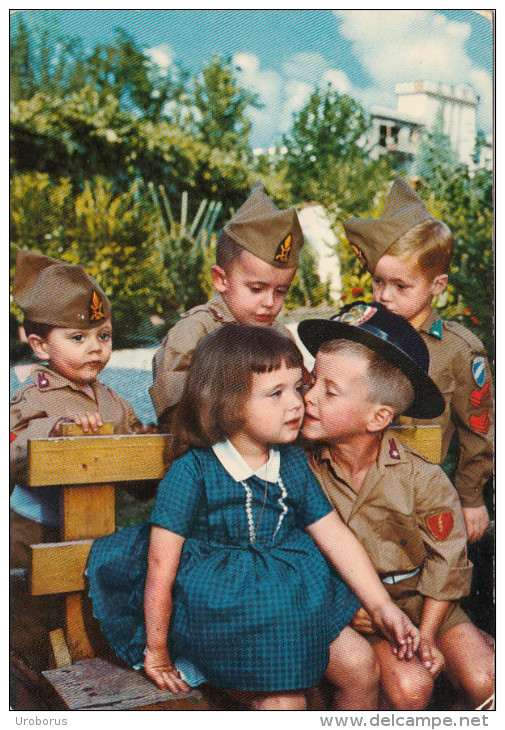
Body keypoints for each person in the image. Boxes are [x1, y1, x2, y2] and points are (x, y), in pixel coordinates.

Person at [87, 324, 423, 711]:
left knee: (362, 667)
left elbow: (335, 535)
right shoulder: (193, 472)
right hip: (225, 609)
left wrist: (382, 606)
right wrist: (157, 651)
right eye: (275, 393)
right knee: (285, 703)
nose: (297, 403)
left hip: (294, 595)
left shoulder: (292, 463)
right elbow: (160, 566)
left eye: (298, 387)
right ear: (228, 404)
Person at [298, 302, 495, 711]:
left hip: (427, 602)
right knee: (410, 688)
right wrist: (348, 606)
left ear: (378, 417)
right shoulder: (302, 470)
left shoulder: (421, 478)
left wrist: (425, 633)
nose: (309, 396)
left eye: (328, 391)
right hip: (357, 611)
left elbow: (448, 562)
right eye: (311, 380)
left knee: (487, 681)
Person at [9, 249, 152, 673]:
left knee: (90, 616)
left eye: (103, 336)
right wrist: (56, 432)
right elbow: (16, 448)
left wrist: (154, 449)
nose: (95, 348)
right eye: (78, 338)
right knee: (31, 628)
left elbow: (141, 476)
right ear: (37, 344)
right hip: (31, 534)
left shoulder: (113, 400)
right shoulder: (30, 395)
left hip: (96, 532)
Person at [342, 176, 493, 544]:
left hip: (422, 497)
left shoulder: (458, 349)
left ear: (437, 285)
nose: (385, 297)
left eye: (401, 286)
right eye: (378, 282)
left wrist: (471, 498)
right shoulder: (360, 331)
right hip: (356, 491)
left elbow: (478, 432)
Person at [149, 183, 304, 432]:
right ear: (221, 279)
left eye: (281, 291)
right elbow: (175, 409)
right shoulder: (195, 331)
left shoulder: (280, 336)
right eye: (256, 289)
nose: (269, 302)